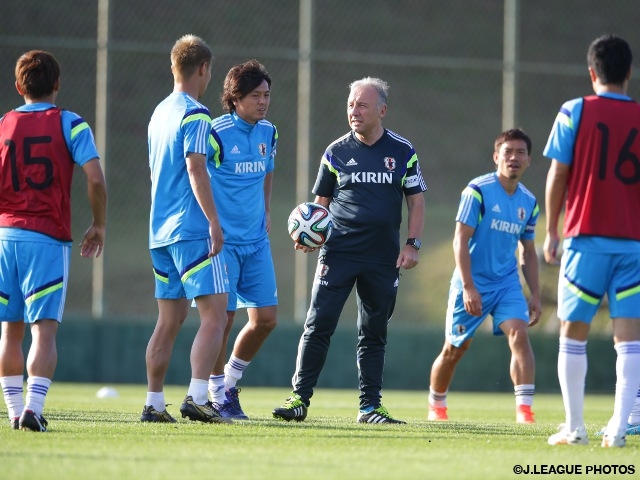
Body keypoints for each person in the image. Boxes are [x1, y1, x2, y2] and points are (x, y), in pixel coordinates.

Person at [272, 76, 427, 424]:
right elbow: (319, 205)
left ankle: (370, 408)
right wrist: (308, 235)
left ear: (382, 110)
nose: (354, 111)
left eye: (362, 105)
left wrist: (412, 245)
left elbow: (416, 203)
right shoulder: (336, 152)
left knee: (373, 332)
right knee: (318, 324)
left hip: (383, 256)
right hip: (338, 253)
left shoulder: (403, 151)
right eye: (351, 104)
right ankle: (299, 400)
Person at [0, 50, 107, 432]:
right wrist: (99, 224)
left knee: (9, 329)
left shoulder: (3, 124)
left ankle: (14, 412)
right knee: (43, 330)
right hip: (46, 237)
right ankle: (33, 407)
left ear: (18, 87)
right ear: (57, 84)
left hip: (5, 236)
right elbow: (95, 178)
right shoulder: (71, 123)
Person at [544, 34, 640, 448]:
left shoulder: (574, 111)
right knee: (630, 338)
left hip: (584, 239)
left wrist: (551, 230)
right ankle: (619, 429)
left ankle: (575, 427)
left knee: (573, 333)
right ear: (629, 73)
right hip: (633, 243)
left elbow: (558, 174)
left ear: (591, 72)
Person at [142, 34, 229, 424]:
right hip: (190, 228)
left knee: (170, 318)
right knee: (215, 314)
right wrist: (212, 220)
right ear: (204, 69)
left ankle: (153, 403)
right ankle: (198, 396)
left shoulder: (159, 112)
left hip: (159, 231)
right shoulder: (196, 114)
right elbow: (195, 167)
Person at [427, 129, 541, 425]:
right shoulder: (477, 190)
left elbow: (528, 251)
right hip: (472, 282)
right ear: (496, 157)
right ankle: (437, 405)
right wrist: (468, 287)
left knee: (519, 334)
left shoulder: (529, 202)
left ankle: (524, 411)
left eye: (520, 152)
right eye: (508, 152)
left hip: (506, 284)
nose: (514, 158)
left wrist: (536, 295)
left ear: (529, 159)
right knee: (455, 349)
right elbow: (459, 240)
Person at [206, 60, 278, 420]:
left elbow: (267, 174)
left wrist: (266, 209)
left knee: (266, 318)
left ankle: (230, 383)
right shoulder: (215, 133)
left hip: (256, 242)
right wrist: (211, 223)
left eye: (266, 95)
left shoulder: (269, 132)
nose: (263, 102)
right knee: (224, 319)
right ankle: (217, 394)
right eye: (255, 96)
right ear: (235, 98)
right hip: (223, 244)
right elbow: (197, 180)